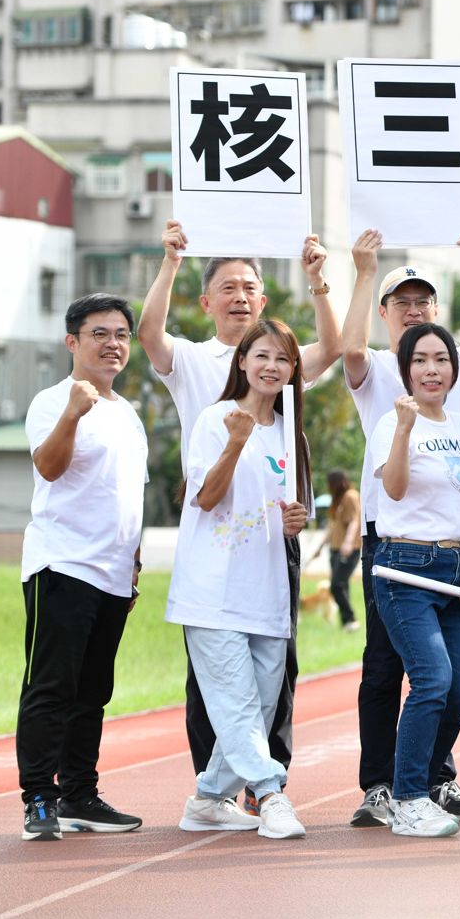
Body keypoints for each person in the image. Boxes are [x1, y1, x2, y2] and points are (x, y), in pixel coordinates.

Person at [138, 220, 340, 808]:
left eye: (250, 286)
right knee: (216, 675)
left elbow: (330, 350)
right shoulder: (194, 362)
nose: (240, 296)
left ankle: (251, 783)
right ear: (207, 302)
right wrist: (172, 260)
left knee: (274, 668)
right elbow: (150, 332)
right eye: (227, 287)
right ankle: (230, 786)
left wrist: (318, 278)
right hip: (215, 530)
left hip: (272, 532)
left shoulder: (281, 371)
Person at [339, 229, 460, 826]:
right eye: (402, 302)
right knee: (391, 669)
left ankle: (431, 778)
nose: (414, 312)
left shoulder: (454, 370)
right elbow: (348, 346)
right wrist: (363, 273)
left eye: (424, 302)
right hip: (390, 540)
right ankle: (386, 789)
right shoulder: (378, 371)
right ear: (386, 314)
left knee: (448, 684)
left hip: (448, 548)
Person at [168, 319, 312, 840]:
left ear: (292, 370)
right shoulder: (215, 419)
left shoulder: (291, 431)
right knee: (237, 704)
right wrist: (234, 442)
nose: (272, 367)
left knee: (259, 707)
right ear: (243, 362)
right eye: (263, 356)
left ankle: (207, 799)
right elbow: (204, 498)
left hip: (268, 591)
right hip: (213, 592)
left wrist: (295, 521)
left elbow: (291, 513)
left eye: (283, 359)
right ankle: (271, 794)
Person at [19, 294, 149, 841]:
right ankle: (39, 801)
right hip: (63, 564)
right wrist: (75, 411)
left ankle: (79, 794)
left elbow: (126, 497)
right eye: (100, 333)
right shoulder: (51, 401)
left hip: (114, 572)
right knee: (51, 686)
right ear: (72, 341)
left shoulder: (129, 414)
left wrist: (134, 562)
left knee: (93, 691)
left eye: (121, 333)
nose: (113, 343)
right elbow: (48, 468)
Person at [366, 323, 460, 838]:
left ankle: (418, 782)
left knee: (458, 691)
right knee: (431, 679)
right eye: (420, 360)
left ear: (454, 368)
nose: (432, 369)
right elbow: (392, 492)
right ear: (406, 370)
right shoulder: (390, 423)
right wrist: (401, 429)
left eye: (441, 359)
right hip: (403, 567)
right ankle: (410, 797)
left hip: (455, 569)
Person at [306, 470, 362, 631]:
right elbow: (332, 527)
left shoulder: (351, 496)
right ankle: (347, 623)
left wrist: (349, 542)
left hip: (348, 549)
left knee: (336, 585)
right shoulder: (338, 500)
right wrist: (320, 547)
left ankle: (350, 619)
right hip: (335, 549)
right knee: (342, 586)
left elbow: (354, 521)